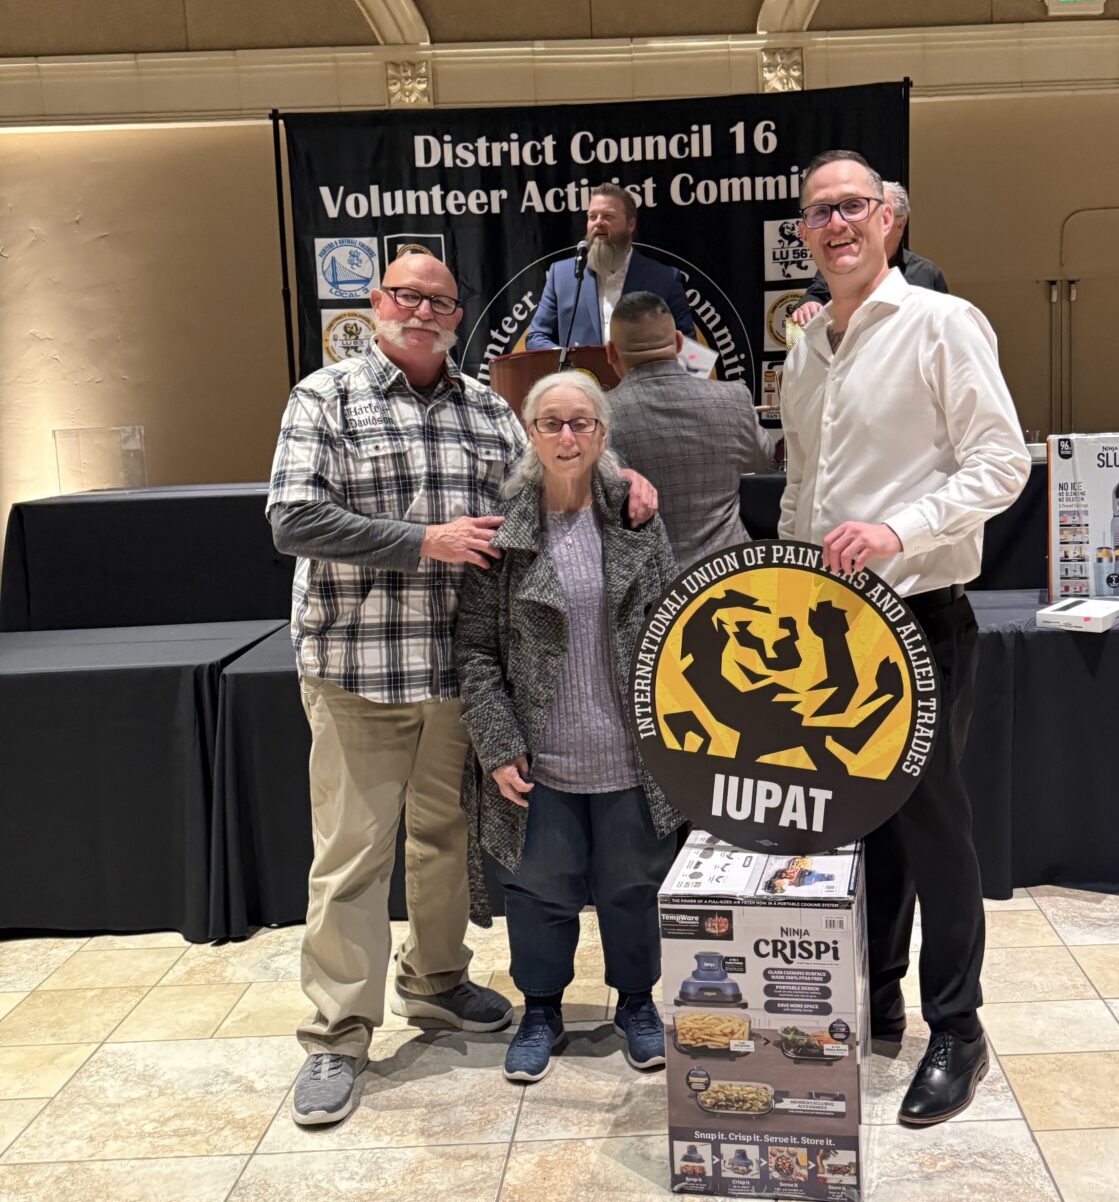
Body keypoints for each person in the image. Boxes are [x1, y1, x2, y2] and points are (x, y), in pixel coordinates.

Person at [268, 250, 656, 1128]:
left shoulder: (486, 410)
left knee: (444, 842)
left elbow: (552, 470)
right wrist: (422, 541)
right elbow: (292, 518)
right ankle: (338, 1034)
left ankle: (436, 981)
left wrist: (622, 479)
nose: (424, 312)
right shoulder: (325, 398)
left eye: (440, 302)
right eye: (407, 296)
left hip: (456, 672)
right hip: (358, 669)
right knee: (352, 857)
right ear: (376, 302)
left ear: (456, 315)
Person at [779, 152, 1029, 1129]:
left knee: (933, 828)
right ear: (804, 233)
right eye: (818, 212)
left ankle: (957, 1028)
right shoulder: (807, 346)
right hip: (829, 626)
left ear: (888, 218)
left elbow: (1001, 463)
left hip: (919, 611)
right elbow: (802, 485)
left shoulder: (941, 323)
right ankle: (876, 996)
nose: (836, 224)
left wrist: (897, 531)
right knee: (859, 818)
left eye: (852, 206)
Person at [454, 369, 682, 1085]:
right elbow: (475, 651)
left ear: (603, 434)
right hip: (539, 761)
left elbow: (675, 632)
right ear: (529, 433)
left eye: (581, 422)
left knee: (633, 887)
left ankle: (638, 1005)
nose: (566, 436)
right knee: (539, 892)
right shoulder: (502, 532)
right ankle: (542, 1011)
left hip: (630, 755)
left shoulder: (638, 521)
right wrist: (497, 745)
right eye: (550, 422)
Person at [604, 290, 775, 567]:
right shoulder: (733, 398)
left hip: (649, 582)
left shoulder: (597, 416)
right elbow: (762, 459)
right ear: (679, 342)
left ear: (610, 352)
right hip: (728, 574)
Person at [529, 183, 695, 348]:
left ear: (630, 224)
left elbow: (689, 344)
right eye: (592, 217)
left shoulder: (664, 279)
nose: (598, 223)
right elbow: (536, 337)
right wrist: (568, 359)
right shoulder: (562, 275)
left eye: (607, 216)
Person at [790, 181, 946, 331]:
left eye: (878, 217)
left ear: (897, 223)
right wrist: (806, 308)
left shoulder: (928, 274)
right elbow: (809, 304)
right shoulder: (843, 263)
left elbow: (942, 328)